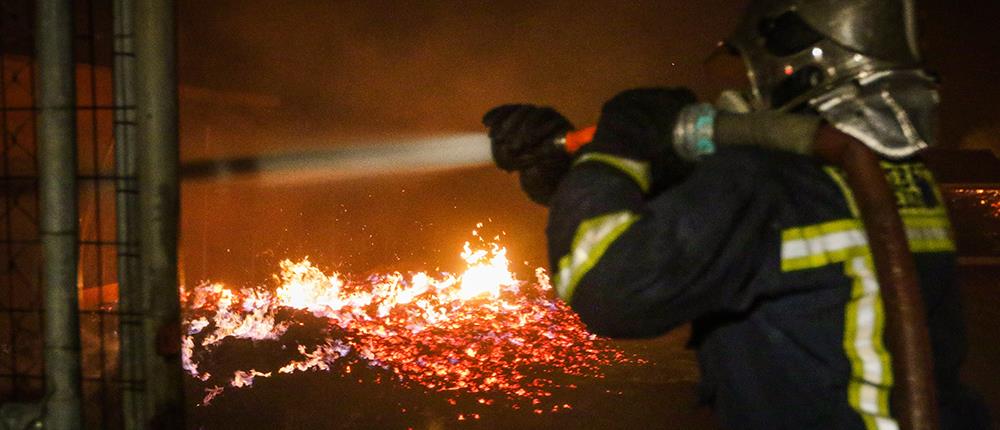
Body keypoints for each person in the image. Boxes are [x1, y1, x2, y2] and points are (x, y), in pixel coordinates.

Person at [482, 1, 990, 428]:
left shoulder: (770, 180)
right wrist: (573, 171)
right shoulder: (885, 174)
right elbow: (695, 226)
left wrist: (613, 152)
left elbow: (608, 284)